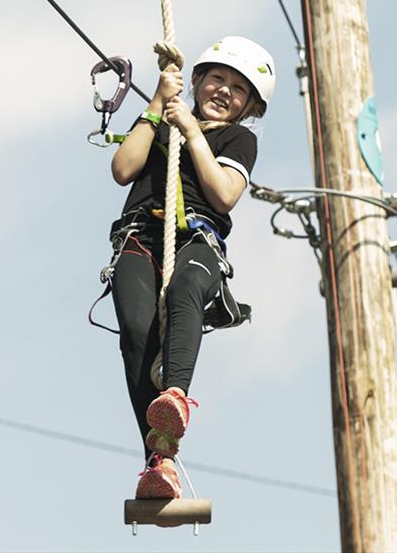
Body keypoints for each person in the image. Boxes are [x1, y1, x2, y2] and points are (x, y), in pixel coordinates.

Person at [105, 36, 276, 501]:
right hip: (141, 236)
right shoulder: (160, 122)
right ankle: (157, 462)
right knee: (136, 333)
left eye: (238, 89)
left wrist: (193, 133)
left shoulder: (238, 139)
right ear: (197, 81)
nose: (224, 91)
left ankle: (174, 398)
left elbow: (224, 193)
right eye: (217, 79)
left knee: (185, 289)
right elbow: (123, 169)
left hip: (198, 240)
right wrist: (158, 105)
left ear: (249, 107)